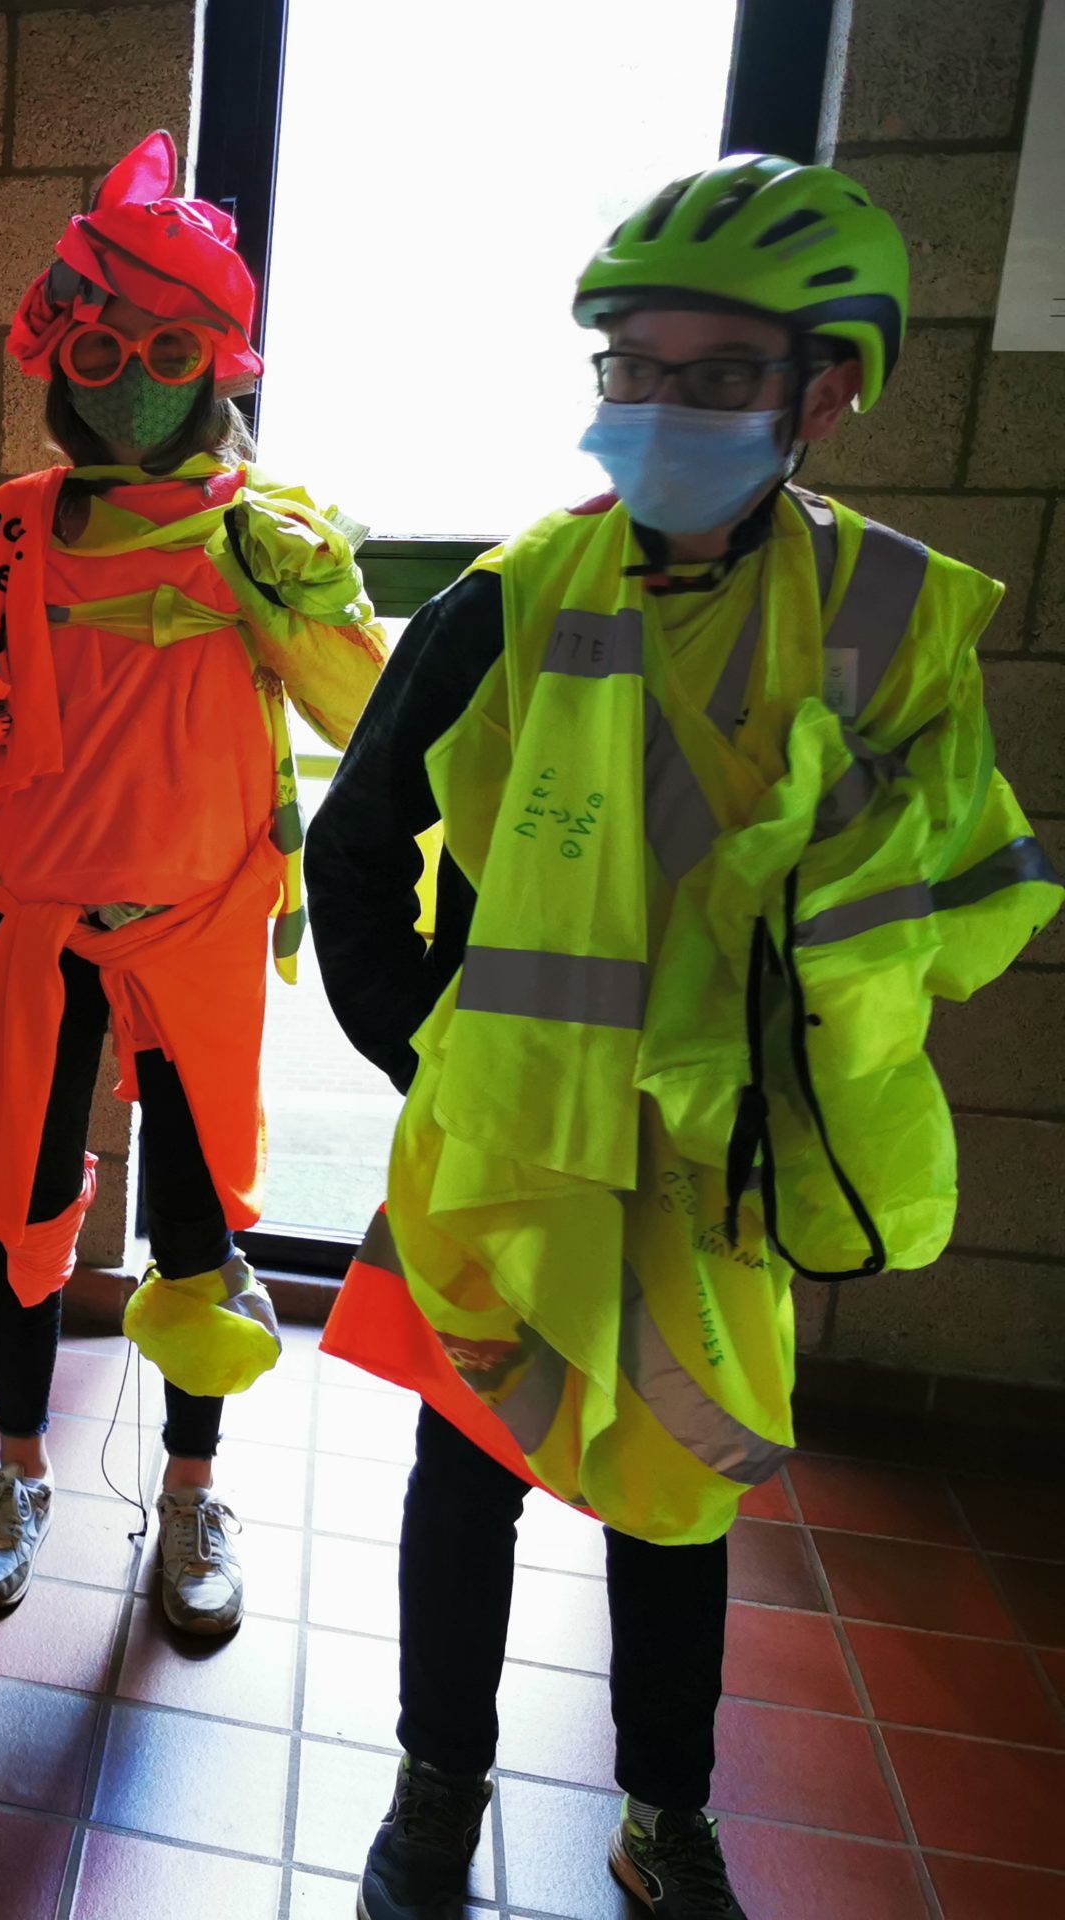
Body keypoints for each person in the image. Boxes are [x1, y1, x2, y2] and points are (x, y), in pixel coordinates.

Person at [308, 157, 1061, 1920]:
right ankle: (437, 1783)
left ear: (826, 391)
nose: (658, 408)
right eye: (630, 368)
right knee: (464, 1479)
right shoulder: (517, 592)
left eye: (715, 374)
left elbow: (957, 897)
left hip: (716, 1171)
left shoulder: (890, 620)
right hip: (504, 1150)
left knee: (683, 1494)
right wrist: (429, 1050)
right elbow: (356, 834)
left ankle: (666, 1813)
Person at [0, 132, 387, 1634]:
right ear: (60, 360)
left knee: (197, 1229)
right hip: (46, 926)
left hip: (202, 927)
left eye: (168, 352)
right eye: (101, 351)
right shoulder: (13, 526)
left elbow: (363, 709)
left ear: (216, 364)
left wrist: (312, 602)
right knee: (24, 1206)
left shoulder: (258, 532)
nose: (131, 385)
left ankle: (191, 1490)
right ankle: (17, 1470)